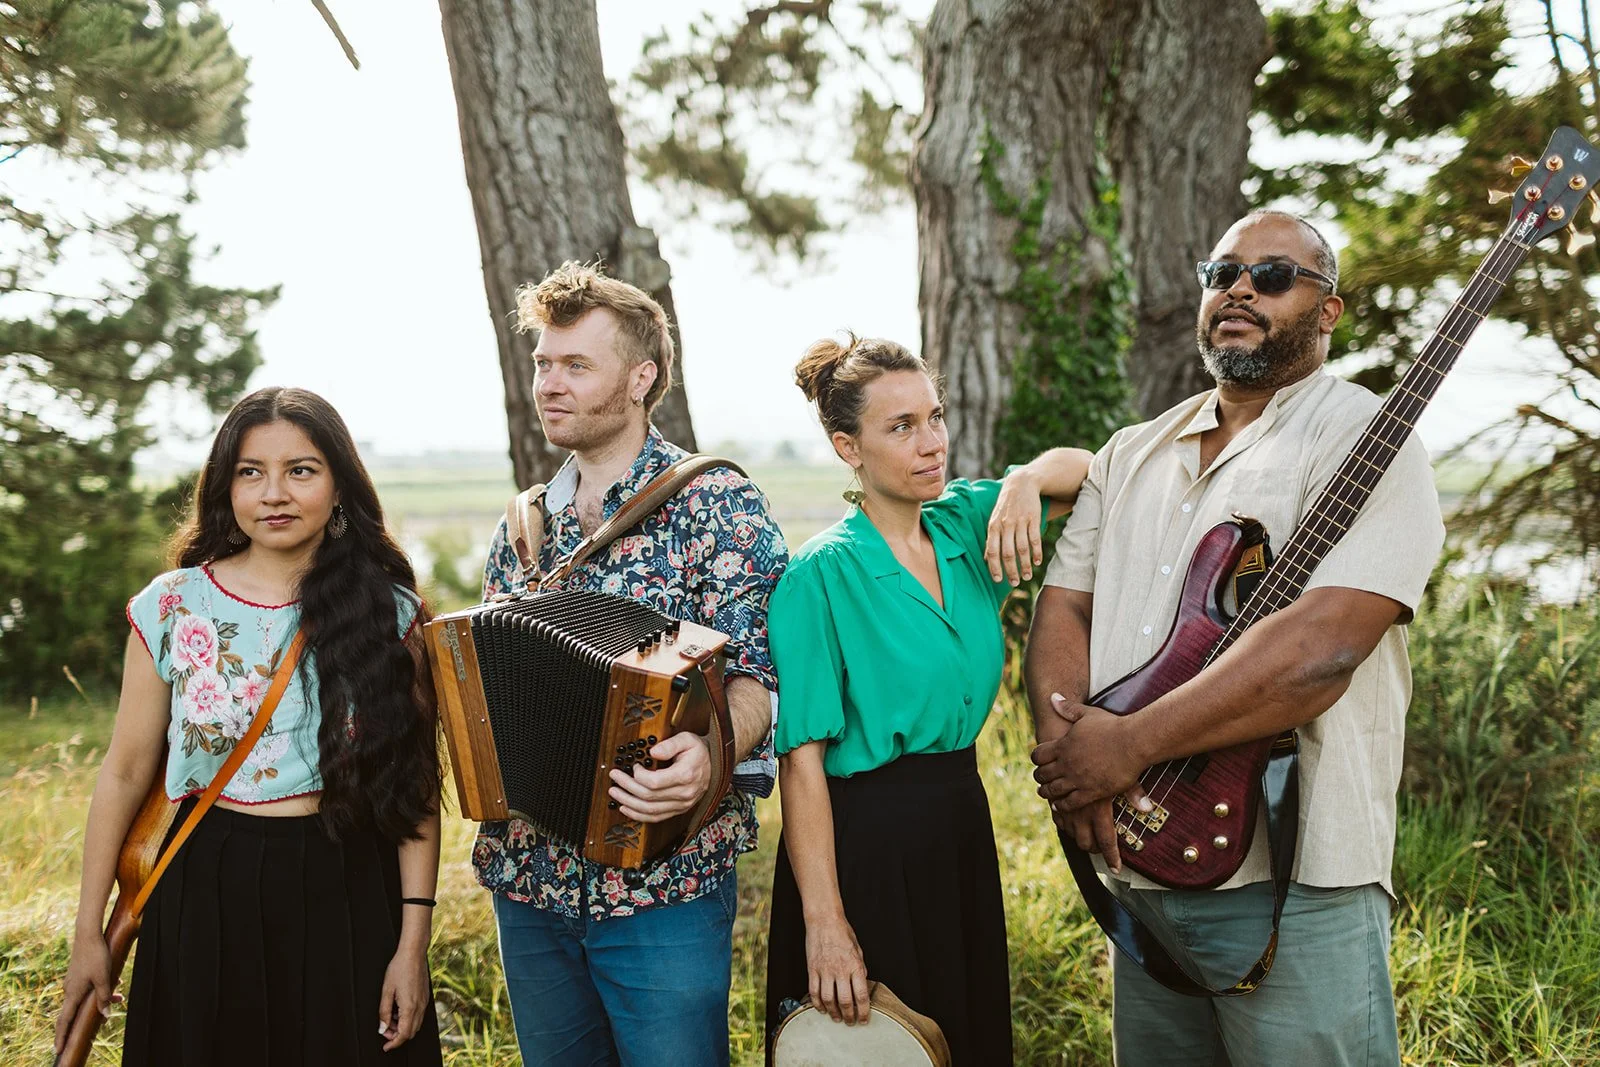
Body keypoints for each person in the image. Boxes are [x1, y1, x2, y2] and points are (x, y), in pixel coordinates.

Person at [1026, 210, 1445, 1065]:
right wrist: (1078, 765)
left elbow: (1321, 648)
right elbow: (1063, 607)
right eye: (1221, 272)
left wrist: (1126, 745)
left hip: (1296, 887)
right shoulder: (1129, 452)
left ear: (1327, 309)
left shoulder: (1367, 438)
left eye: (1274, 275)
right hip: (1136, 864)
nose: (1240, 288)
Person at [55, 387, 443, 1066]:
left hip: (348, 888)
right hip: (204, 883)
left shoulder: (392, 613)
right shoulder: (172, 606)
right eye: (250, 471)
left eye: (301, 469)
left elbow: (413, 791)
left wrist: (412, 945)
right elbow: (122, 770)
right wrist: (88, 929)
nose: (275, 492)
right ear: (224, 486)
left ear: (339, 483)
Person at [475, 262, 788, 1066]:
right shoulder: (525, 524)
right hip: (531, 885)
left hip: (664, 892)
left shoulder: (715, 504)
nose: (549, 382)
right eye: (544, 362)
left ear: (641, 377)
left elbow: (758, 677)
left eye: (576, 364)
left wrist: (712, 751)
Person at [763, 334, 1091, 1064]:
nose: (931, 442)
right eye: (901, 426)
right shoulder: (819, 576)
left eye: (934, 417)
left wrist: (1024, 481)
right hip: (863, 846)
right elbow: (802, 765)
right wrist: (825, 921)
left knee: (963, 1034)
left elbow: (1093, 472)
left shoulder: (966, 525)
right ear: (848, 447)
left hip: (958, 824)